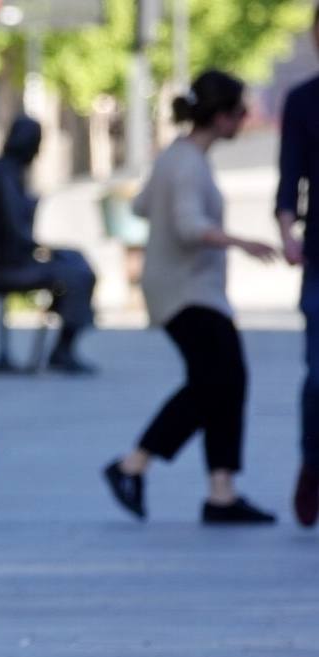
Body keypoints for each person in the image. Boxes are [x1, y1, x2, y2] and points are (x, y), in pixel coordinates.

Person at [103, 71, 278, 524]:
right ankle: (134, 465)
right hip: (188, 291)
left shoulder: (176, 156)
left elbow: (141, 205)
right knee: (217, 380)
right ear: (220, 116)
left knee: (223, 381)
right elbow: (187, 226)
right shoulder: (188, 164)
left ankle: (220, 491)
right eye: (240, 112)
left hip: (179, 287)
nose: (244, 119)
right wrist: (241, 242)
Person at [0, 115, 98, 374]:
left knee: (76, 261)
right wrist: (47, 249)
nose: (38, 152)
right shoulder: (3, 175)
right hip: (4, 267)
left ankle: (65, 342)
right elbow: (15, 230)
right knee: (77, 272)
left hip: (12, 260)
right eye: (37, 144)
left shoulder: (9, 172)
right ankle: (63, 349)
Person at [276, 3, 319, 528]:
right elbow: (290, 180)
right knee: (318, 378)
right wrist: (288, 233)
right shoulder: (304, 100)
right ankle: (313, 464)